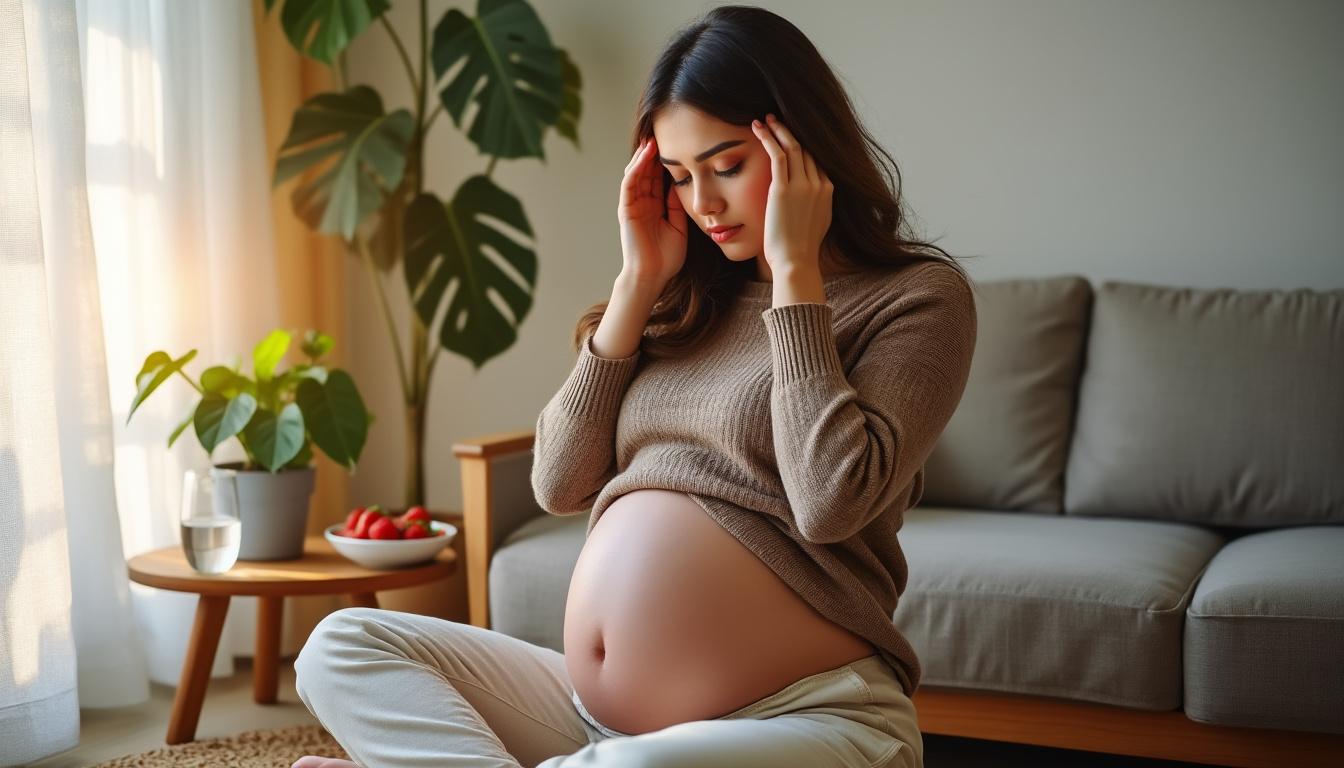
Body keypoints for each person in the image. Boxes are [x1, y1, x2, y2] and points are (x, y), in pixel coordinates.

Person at [291, 5, 976, 767]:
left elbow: (829, 502)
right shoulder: (681, 298)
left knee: (631, 767)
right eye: (679, 177)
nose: (703, 204)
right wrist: (637, 282)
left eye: (727, 166)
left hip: (811, 716)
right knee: (341, 644)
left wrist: (795, 277)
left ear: (803, 149)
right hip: (593, 718)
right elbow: (558, 481)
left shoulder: (919, 297)